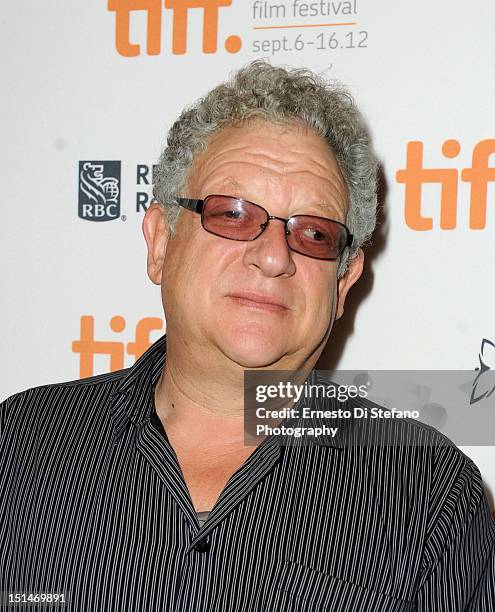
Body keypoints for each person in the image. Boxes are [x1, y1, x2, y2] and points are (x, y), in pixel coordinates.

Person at [1, 60, 494, 611]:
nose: (273, 255)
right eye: (233, 215)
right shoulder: (19, 447)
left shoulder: (428, 495)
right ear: (161, 241)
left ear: (343, 282)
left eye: (313, 232)